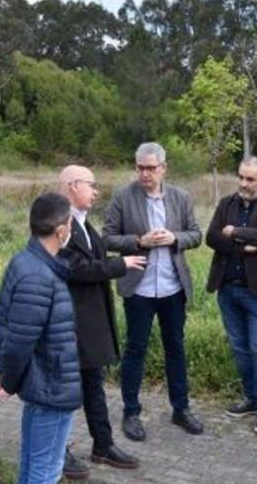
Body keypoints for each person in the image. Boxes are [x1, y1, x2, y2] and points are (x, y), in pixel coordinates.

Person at [103, 142, 204, 441]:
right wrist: (139, 241)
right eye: (140, 168)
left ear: (163, 168)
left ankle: (180, 408)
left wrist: (174, 238)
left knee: (176, 348)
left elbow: (196, 234)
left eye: (151, 168)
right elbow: (107, 238)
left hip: (173, 287)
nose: (145, 174)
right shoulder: (123, 197)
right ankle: (131, 411)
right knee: (135, 349)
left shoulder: (181, 197)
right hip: (139, 289)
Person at [0, 192, 81, 484]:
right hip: (51, 387)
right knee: (45, 472)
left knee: (31, 466)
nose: (72, 231)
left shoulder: (24, 262)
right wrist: (7, 380)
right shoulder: (39, 277)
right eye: (70, 225)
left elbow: (0, 321)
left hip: (42, 385)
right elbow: (19, 340)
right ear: (61, 231)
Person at [57, 165, 146, 480]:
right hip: (70, 322)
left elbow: (91, 260)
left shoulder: (82, 222)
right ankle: (58, 449)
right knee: (66, 390)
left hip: (91, 320)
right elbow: (76, 268)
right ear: (73, 186)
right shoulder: (59, 223)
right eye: (91, 185)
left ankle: (103, 444)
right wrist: (119, 265)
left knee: (93, 385)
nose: (96, 191)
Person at [205, 156, 257, 436]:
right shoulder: (226, 203)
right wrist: (244, 246)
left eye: (250, 179)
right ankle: (251, 398)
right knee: (240, 348)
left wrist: (235, 232)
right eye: (241, 177)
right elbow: (212, 237)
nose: (243, 183)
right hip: (227, 287)